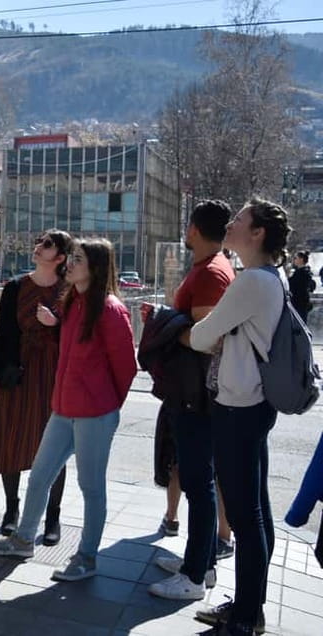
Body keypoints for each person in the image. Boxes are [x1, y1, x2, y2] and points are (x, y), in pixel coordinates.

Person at [0, 238, 137, 582]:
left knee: (91, 486)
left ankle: (86, 557)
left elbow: (126, 368)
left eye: (78, 259)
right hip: (62, 410)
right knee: (39, 476)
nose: (70, 263)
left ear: (94, 268)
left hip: (93, 415)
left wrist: (104, 406)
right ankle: (23, 539)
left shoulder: (111, 310)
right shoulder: (73, 303)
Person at [190, 198, 290, 636]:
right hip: (256, 403)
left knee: (246, 516)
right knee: (257, 511)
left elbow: (199, 335)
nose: (231, 224)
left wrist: (214, 332)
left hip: (237, 406)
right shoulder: (273, 278)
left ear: (258, 234)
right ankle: (251, 608)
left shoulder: (251, 283)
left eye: (240, 220)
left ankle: (246, 615)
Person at [141, 200, 235, 601]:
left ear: (193, 229)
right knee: (198, 482)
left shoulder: (212, 272)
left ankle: (194, 577)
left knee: (199, 485)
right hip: (192, 395)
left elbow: (209, 340)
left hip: (197, 397)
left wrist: (166, 325)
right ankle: (201, 566)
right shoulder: (211, 267)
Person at [0, 230, 73, 545]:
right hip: (17, 374)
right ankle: (11, 510)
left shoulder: (69, 291)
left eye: (47, 245)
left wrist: (56, 324)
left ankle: (53, 516)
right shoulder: (16, 288)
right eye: (40, 241)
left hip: (53, 377)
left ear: (60, 257)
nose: (39, 247)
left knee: (54, 446)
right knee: (11, 438)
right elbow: (3, 335)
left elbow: (78, 339)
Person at [288, 250, 316, 323]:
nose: (294, 260)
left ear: (301, 259)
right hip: (300, 303)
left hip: (299, 304)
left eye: (295, 258)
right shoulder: (302, 272)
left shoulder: (302, 273)